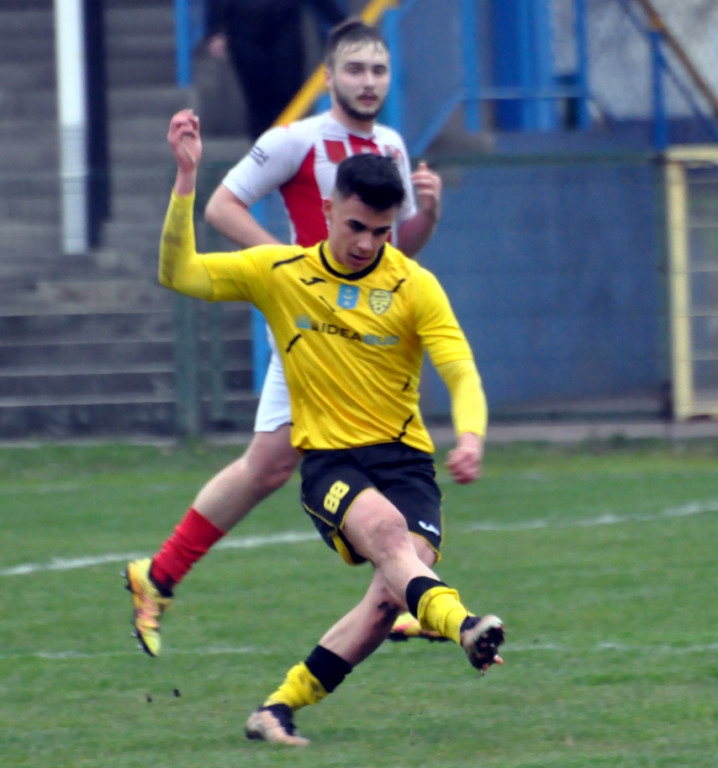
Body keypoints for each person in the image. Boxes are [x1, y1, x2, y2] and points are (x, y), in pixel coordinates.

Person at [159, 107, 505, 746]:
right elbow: (179, 273)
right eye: (355, 226)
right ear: (327, 204)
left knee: (387, 602)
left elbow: (461, 371)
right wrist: (186, 183)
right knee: (388, 536)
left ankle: (276, 709)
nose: (367, 243)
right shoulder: (281, 273)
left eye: (380, 230)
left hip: (406, 464)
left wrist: (472, 434)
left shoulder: (414, 285)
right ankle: (463, 625)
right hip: (333, 465)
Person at [125, 20, 444, 657]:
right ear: (328, 77)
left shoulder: (392, 149)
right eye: (355, 69)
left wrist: (428, 214)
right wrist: (289, 272)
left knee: (286, 464)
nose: (368, 81)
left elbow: (396, 252)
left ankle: (160, 575)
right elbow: (221, 206)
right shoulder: (296, 141)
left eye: (378, 70)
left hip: (374, 338)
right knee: (272, 465)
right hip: (312, 333)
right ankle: (159, 574)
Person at [205, 0, 347, 140]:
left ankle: (290, 147)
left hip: (284, 21)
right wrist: (215, 30)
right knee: (257, 95)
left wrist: (338, 20)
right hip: (243, 23)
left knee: (288, 90)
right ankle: (263, 151)